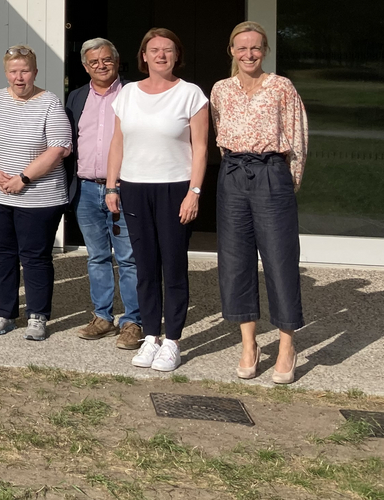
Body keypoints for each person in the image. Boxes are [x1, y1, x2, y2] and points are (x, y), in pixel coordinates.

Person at [105, 28, 209, 374]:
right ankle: (151, 336)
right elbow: (117, 143)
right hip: (135, 188)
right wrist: (111, 185)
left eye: (167, 50)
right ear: (143, 56)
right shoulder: (128, 93)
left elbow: (201, 149)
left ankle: (173, 341)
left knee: (174, 267)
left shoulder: (191, 94)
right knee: (144, 267)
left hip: (174, 189)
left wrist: (194, 192)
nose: (161, 55)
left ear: (177, 55)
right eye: (154, 50)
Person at [211, 21, 308, 384]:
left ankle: (286, 345)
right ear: (232, 52)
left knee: (280, 259)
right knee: (235, 260)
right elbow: (220, 131)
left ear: (265, 50)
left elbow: (297, 137)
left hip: (271, 173)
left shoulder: (281, 87)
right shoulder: (221, 89)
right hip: (234, 172)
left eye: (255, 48)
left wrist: (288, 183)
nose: (248, 54)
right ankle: (249, 344)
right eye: (241, 48)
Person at [0, 45, 72, 341]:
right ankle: (3, 313)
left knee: (35, 256)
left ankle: (37, 316)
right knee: (1, 254)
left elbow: (59, 148)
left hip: (40, 195)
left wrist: (23, 178)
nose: (19, 77)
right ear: (6, 73)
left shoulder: (50, 103)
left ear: (35, 72)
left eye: (25, 71)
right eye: (13, 71)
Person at [66, 38, 144, 350]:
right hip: (86, 188)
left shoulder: (133, 94)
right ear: (85, 66)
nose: (101, 65)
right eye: (93, 61)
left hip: (124, 187)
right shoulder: (77, 96)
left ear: (117, 61)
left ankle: (133, 321)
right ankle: (102, 317)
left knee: (128, 257)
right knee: (97, 256)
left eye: (106, 59)